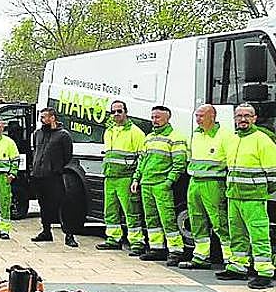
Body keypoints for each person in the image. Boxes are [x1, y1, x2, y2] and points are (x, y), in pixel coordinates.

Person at [218, 103, 276, 289]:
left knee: (258, 234)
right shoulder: (233, 139)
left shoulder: (262, 139)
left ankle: (264, 272)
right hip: (234, 195)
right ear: (235, 119)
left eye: (247, 116)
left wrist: (263, 190)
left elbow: (273, 172)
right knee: (237, 234)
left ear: (254, 118)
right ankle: (238, 266)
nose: (242, 119)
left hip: (254, 197)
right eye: (239, 116)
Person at [131, 105, 188, 264]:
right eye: (153, 117)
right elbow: (142, 161)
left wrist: (168, 182)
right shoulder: (148, 138)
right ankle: (157, 248)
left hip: (161, 185)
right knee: (151, 219)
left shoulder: (176, 137)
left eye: (158, 117)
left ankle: (176, 251)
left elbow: (179, 164)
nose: (154, 120)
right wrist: (136, 179)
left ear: (167, 118)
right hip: (147, 184)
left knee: (167, 219)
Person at [182, 104, 232, 270]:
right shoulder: (196, 135)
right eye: (197, 115)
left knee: (219, 221)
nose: (198, 119)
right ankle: (200, 257)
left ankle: (230, 259)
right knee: (196, 219)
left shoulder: (225, 135)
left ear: (213, 116)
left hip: (214, 182)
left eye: (202, 116)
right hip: (195, 181)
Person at [97, 100, 147, 255]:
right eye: (113, 112)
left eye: (119, 111)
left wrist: (136, 179)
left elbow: (142, 158)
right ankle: (113, 238)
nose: (116, 114)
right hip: (110, 177)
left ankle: (137, 242)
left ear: (126, 112)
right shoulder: (109, 131)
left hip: (126, 177)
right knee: (110, 210)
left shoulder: (135, 132)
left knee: (131, 211)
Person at [30, 107, 78, 247]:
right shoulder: (37, 134)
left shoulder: (63, 135)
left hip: (54, 176)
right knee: (43, 205)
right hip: (39, 175)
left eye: (44, 117)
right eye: (41, 117)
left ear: (52, 118)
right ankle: (46, 231)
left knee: (62, 205)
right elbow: (35, 150)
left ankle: (69, 235)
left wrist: (55, 167)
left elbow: (67, 156)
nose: (42, 119)